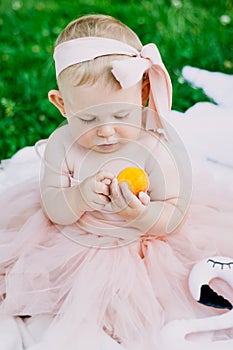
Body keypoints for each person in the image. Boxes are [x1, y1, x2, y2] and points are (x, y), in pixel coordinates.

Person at [0, 14, 232, 350]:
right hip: (75, 240)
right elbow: (54, 208)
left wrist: (140, 214)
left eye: (120, 116)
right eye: (88, 118)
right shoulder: (63, 146)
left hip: (144, 242)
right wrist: (78, 196)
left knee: (160, 298)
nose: (105, 130)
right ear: (61, 105)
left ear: (143, 94)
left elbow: (171, 217)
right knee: (47, 292)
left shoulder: (154, 145)